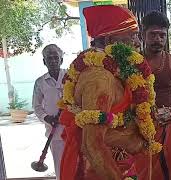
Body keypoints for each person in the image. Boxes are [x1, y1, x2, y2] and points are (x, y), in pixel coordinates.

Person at [58, 5, 147, 180]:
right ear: (108, 41)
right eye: (132, 35)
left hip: (120, 164)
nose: (137, 42)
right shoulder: (99, 78)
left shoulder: (112, 70)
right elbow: (92, 144)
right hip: (101, 172)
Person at [134, 11, 171, 180]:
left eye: (162, 35)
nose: (158, 39)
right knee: (146, 174)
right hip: (141, 131)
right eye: (153, 35)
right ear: (142, 35)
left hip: (169, 126)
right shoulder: (132, 63)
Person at [32, 44, 66, 180]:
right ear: (44, 62)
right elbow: (36, 106)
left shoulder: (72, 76)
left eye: (56, 57)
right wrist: (47, 118)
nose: (53, 60)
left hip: (75, 131)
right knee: (60, 168)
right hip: (55, 133)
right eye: (49, 58)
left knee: (78, 166)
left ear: (61, 60)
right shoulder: (40, 82)